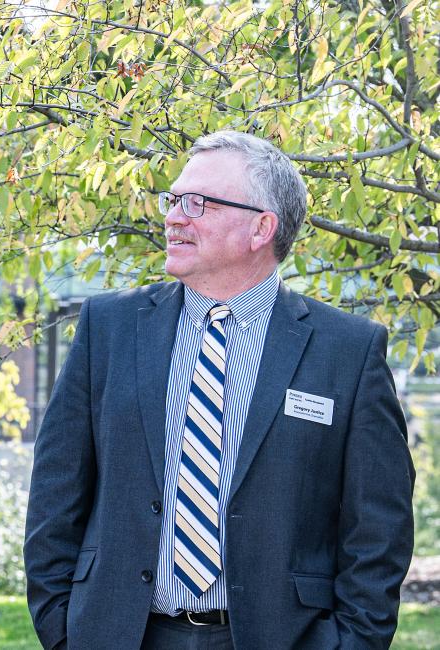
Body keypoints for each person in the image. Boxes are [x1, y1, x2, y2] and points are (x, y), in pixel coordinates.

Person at [24, 131, 415, 649]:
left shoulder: (348, 351)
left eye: (197, 202)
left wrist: (353, 642)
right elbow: (57, 490)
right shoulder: (108, 327)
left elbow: (378, 528)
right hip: (120, 634)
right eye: (173, 200)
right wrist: (61, 629)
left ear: (261, 227)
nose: (174, 217)